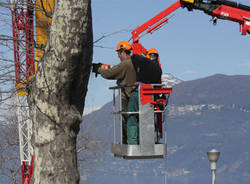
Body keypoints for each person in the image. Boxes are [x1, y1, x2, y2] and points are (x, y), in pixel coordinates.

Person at [92, 41, 136, 144]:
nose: (118, 56)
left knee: (126, 118)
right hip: (135, 95)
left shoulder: (125, 64)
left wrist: (98, 69)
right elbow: (116, 69)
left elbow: (110, 73)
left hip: (127, 96)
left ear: (122, 52)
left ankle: (128, 141)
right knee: (134, 118)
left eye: (118, 54)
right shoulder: (134, 62)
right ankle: (132, 140)